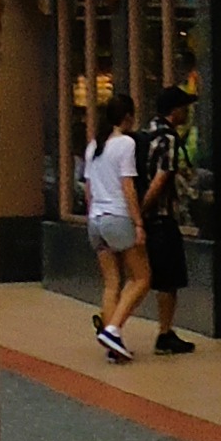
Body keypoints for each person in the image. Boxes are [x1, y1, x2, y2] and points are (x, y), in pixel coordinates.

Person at [83, 95, 143, 361]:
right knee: (141, 277)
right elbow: (127, 186)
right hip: (117, 216)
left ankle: (112, 347)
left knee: (111, 283)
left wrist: (92, 212)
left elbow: (88, 188)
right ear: (128, 116)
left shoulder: (94, 146)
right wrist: (138, 222)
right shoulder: (126, 144)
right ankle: (113, 330)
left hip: (95, 220)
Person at [137, 95, 197, 360]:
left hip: (145, 219)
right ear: (175, 111)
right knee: (168, 279)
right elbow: (161, 178)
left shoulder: (144, 136)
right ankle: (165, 332)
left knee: (143, 276)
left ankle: (113, 322)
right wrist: (144, 207)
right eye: (184, 107)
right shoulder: (169, 140)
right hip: (161, 217)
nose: (187, 112)